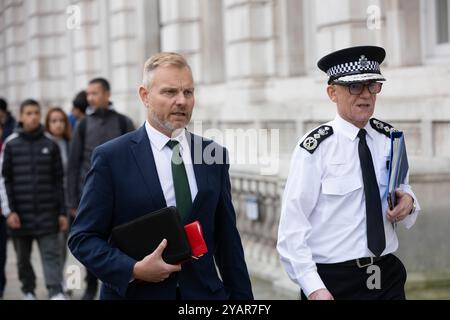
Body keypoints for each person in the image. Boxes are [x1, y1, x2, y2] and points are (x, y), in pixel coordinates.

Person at [68, 52, 253, 300]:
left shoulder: (213, 155)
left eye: (188, 92)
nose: (182, 101)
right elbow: (83, 238)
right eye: (169, 92)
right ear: (145, 96)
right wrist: (133, 269)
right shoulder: (111, 158)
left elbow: (228, 241)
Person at [277, 46, 420, 300]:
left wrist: (408, 203)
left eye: (372, 85)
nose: (366, 95)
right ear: (332, 92)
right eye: (355, 87)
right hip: (335, 282)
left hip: (386, 274)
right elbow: (292, 229)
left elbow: (402, 188)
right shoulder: (315, 149)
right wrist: (314, 288)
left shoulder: (391, 139)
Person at [67, 78, 134, 300]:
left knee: (117, 243)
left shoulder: (124, 122)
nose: (91, 98)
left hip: (122, 196)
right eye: (88, 94)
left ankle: (117, 282)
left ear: (107, 94)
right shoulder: (84, 124)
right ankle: (89, 286)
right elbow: (74, 164)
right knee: (90, 242)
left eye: (95, 93)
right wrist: (73, 201)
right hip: (91, 196)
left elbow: (136, 159)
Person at [0, 99, 68, 300]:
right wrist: (9, 211)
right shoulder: (10, 145)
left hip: (48, 214)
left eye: (36, 113)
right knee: (22, 260)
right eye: (28, 113)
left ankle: (55, 291)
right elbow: (5, 181)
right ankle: (28, 291)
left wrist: (62, 212)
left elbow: (59, 182)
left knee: (51, 256)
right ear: (21, 116)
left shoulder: (50, 144)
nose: (33, 117)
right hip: (19, 216)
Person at [45, 107, 72, 296]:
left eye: (61, 120)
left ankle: (69, 281)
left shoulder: (71, 143)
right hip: (51, 202)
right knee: (54, 246)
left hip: (70, 201)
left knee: (70, 245)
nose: (58, 124)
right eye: (54, 121)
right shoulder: (44, 144)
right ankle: (56, 282)